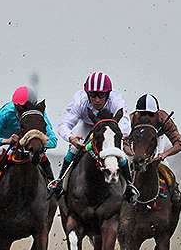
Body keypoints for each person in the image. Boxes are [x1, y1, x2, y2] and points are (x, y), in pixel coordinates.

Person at [51, 71, 136, 200]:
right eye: (92, 95)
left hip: (109, 127)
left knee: (119, 153)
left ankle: (129, 185)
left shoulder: (116, 101)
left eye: (101, 96)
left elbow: (125, 124)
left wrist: (115, 137)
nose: (97, 100)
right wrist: (71, 138)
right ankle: (60, 181)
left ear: (108, 94)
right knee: (73, 149)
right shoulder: (80, 102)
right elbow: (64, 124)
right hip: (87, 125)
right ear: (87, 94)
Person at [0, 86, 57, 198]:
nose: (20, 111)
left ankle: (52, 184)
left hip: (30, 146)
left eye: (24, 107)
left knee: (42, 156)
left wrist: (37, 140)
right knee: (4, 155)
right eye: (18, 108)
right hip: (9, 146)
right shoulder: (6, 112)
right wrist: (6, 140)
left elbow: (53, 141)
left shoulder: (38, 114)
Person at [130, 93, 181, 203]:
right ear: (137, 113)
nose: (146, 117)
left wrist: (164, 154)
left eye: (150, 114)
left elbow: (180, 143)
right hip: (136, 141)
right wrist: (132, 153)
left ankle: (174, 190)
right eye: (142, 114)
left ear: (156, 114)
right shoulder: (131, 119)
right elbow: (124, 141)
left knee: (164, 165)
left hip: (156, 139)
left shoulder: (163, 119)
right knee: (125, 165)